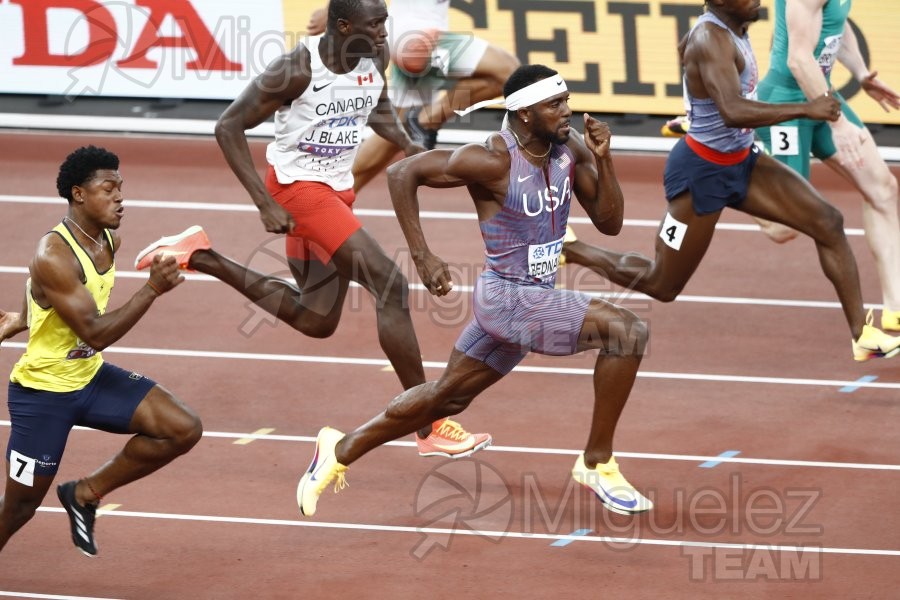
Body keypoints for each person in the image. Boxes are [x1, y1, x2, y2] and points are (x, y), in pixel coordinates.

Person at [295, 64, 654, 519]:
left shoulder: (568, 150)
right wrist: (422, 254)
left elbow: (610, 222)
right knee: (627, 332)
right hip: (510, 301)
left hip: (529, 300)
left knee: (446, 397)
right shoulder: (492, 159)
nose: (568, 111)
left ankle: (339, 448)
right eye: (555, 104)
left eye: (566, 100)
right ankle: (597, 463)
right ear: (524, 114)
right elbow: (402, 173)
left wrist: (603, 158)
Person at [136, 0, 489, 458]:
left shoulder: (373, 55)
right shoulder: (295, 70)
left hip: (336, 188)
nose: (386, 31)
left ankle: (201, 254)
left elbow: (376, 107)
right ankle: (428, 422)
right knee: (390, 285)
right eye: (376, 22)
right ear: (344, 26)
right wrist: (263, 202)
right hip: (297, 191)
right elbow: (228, 127)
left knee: (316, 319)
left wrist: (407, 143)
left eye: (385, 21)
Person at [560, 0, 900, 362]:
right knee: (663, 284)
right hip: (701, 175)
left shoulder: (736, 25)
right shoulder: (709, 38)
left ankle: (860, 334)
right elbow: (733, 111)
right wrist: (806, 108)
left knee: (828, 222)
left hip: (743, 163)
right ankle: (572, 250)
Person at [0, 146, 203, 556]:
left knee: (182, 427)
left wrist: (22, 318)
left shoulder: (109, 238)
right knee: (20, 507)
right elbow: (95, 332)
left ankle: (85, 494)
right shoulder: (53, 254)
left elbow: (50, 295)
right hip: (43, 394)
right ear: (78, 194)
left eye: (120, 188)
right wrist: (152, 290)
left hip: (88, 376)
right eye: (108, 189)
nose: (120, 197)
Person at [755, 0, 900, 331]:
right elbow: (797, 58)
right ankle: (728, 172)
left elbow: (836, 22)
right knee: (784, 228)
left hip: (822, 97)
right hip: (786, 107)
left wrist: (861, 72)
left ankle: (896, 308)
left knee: (883, 189)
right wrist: (838, 124)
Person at [307, 0, 520, 191]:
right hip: (415, 39)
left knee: (398, 131)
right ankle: (427, 120)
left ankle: (334, 194)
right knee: (509, 70)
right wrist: (331, 11)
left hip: (408, 35)